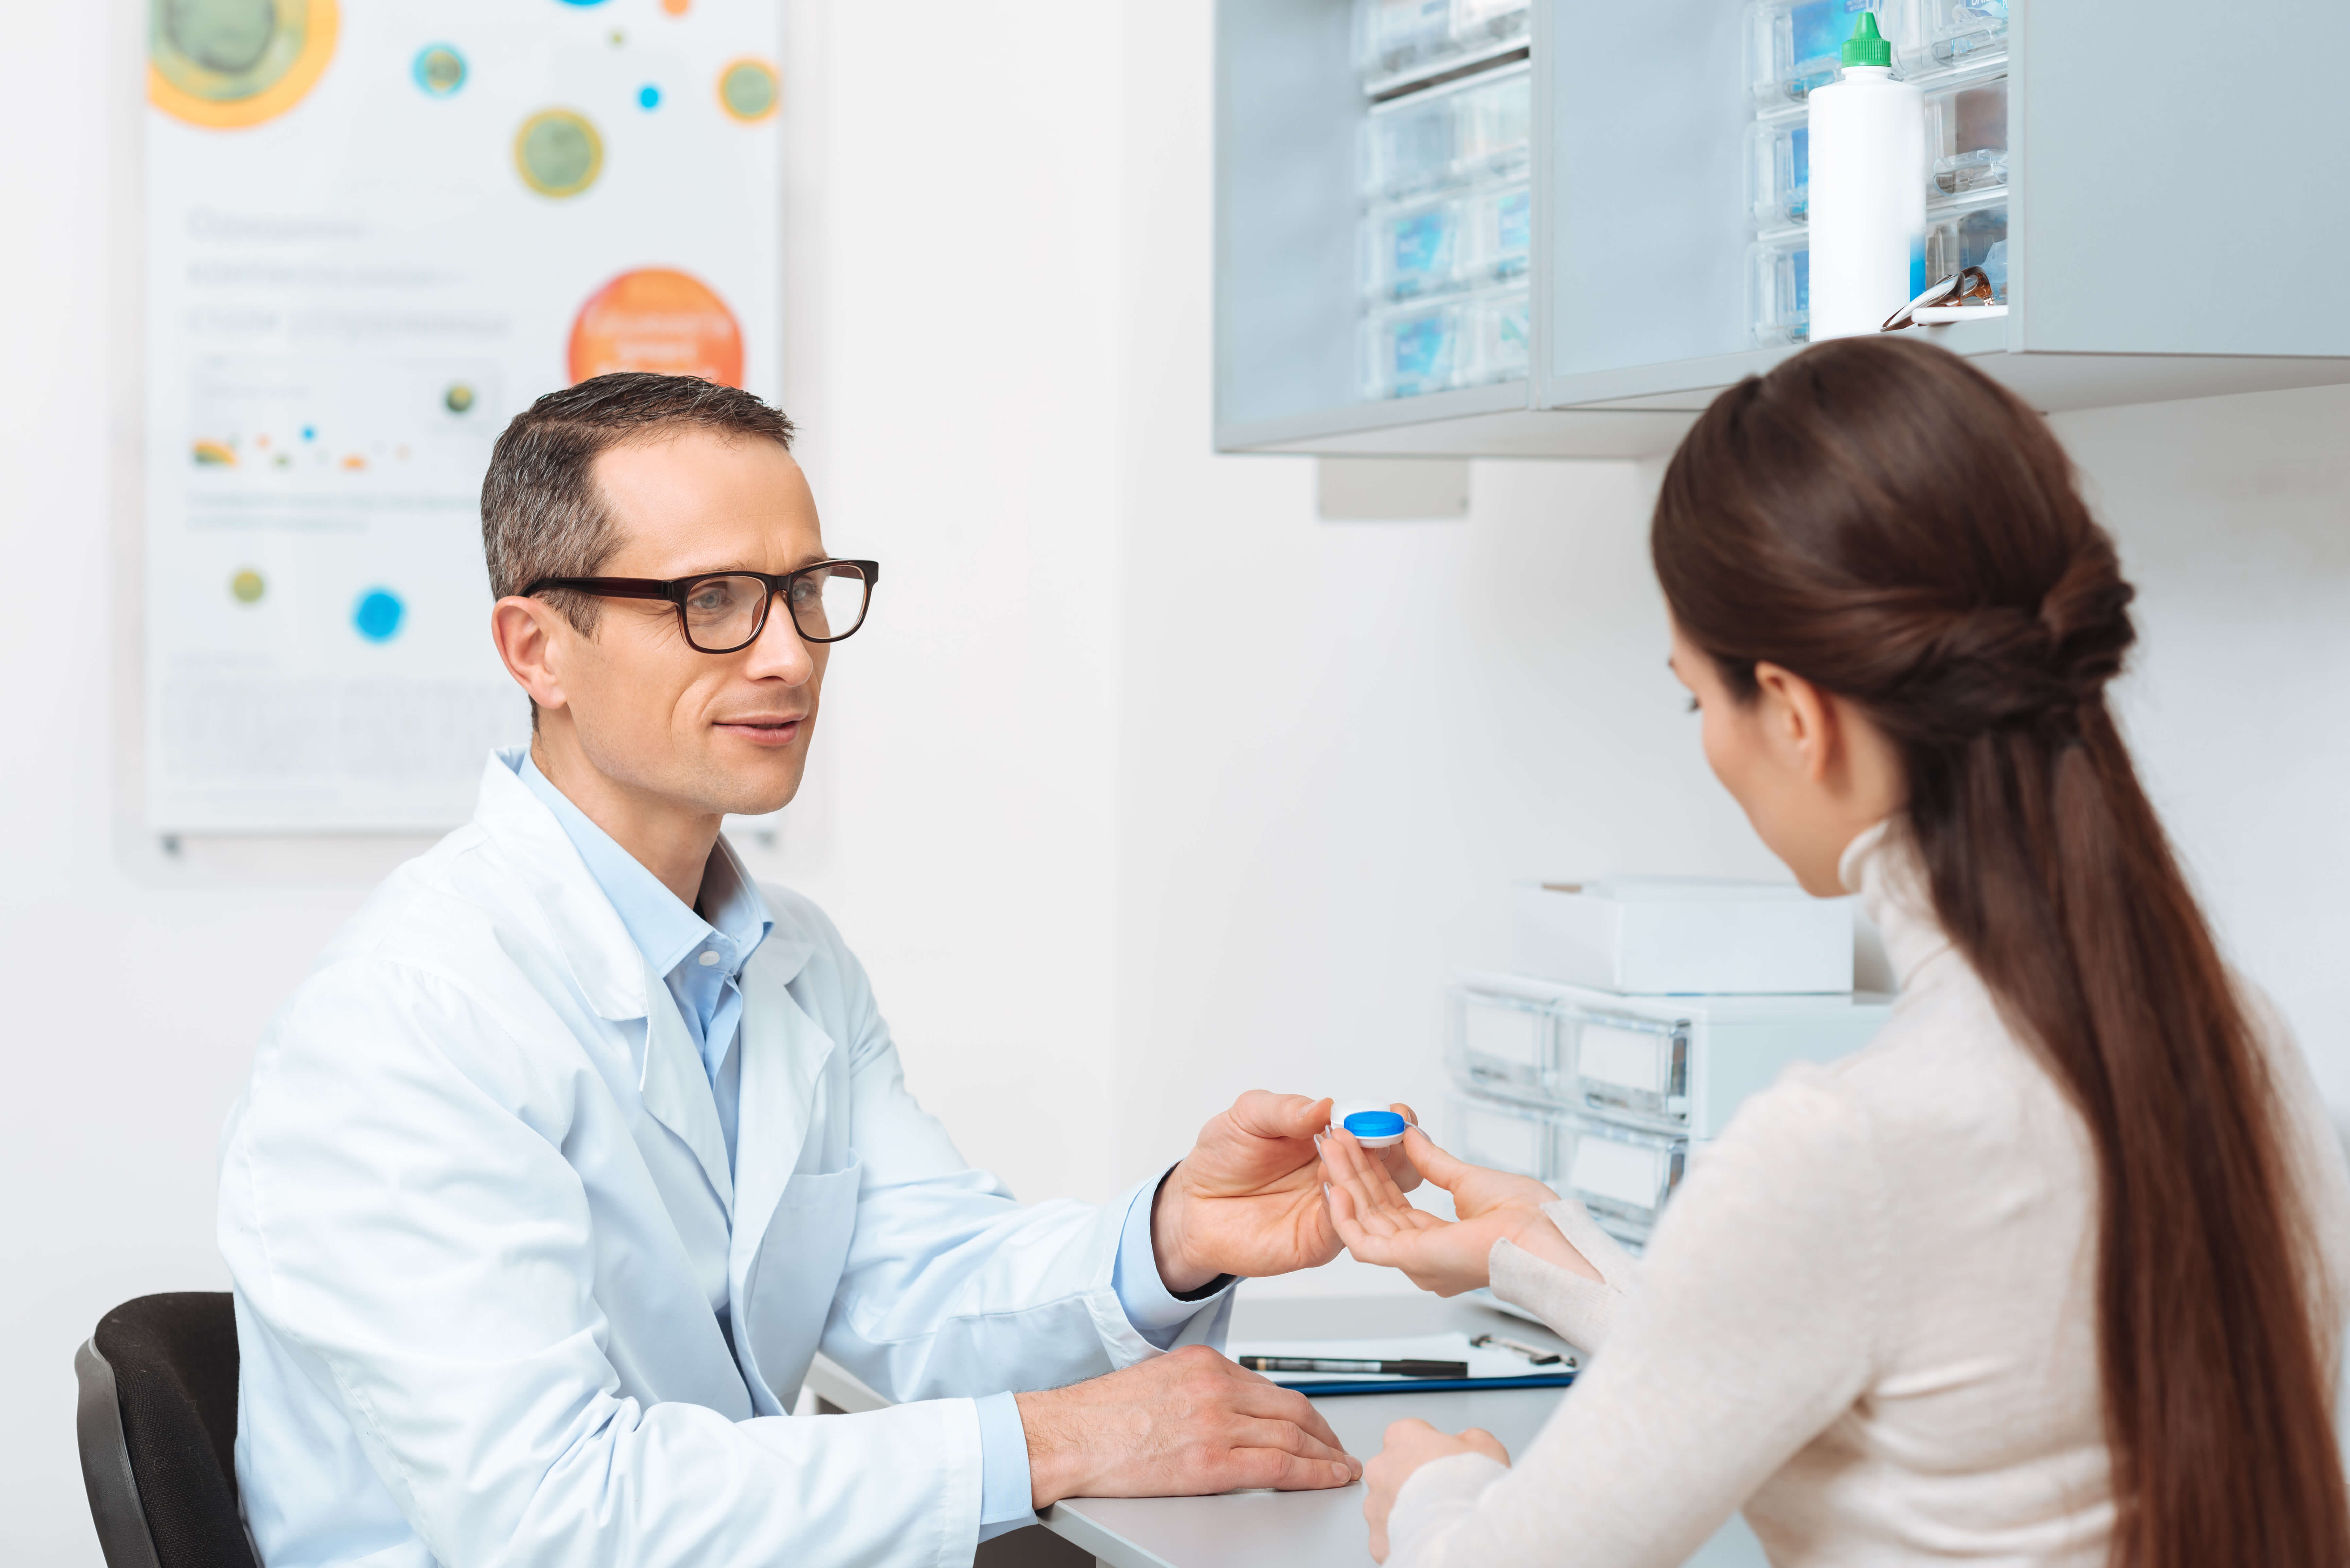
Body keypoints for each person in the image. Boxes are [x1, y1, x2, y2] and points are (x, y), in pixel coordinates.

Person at [218, 372, 1411, 1568]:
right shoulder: (405, 1021)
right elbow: (551, 1516)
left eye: (804, 591)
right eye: (714, 599)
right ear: (539, 648)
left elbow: (920, 1285)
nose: (788, 653)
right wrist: (1050, 1441)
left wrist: (1171, 1238)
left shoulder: (787, 960)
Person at [1319, 336, 2350, 1567]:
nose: (1707, 740)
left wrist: (1440, 1490)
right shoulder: (2238, 1039)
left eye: (1697, 699)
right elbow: (1853, 1341)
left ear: (1796, 715)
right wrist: (1534, 1246)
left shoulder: (1847, 1145)